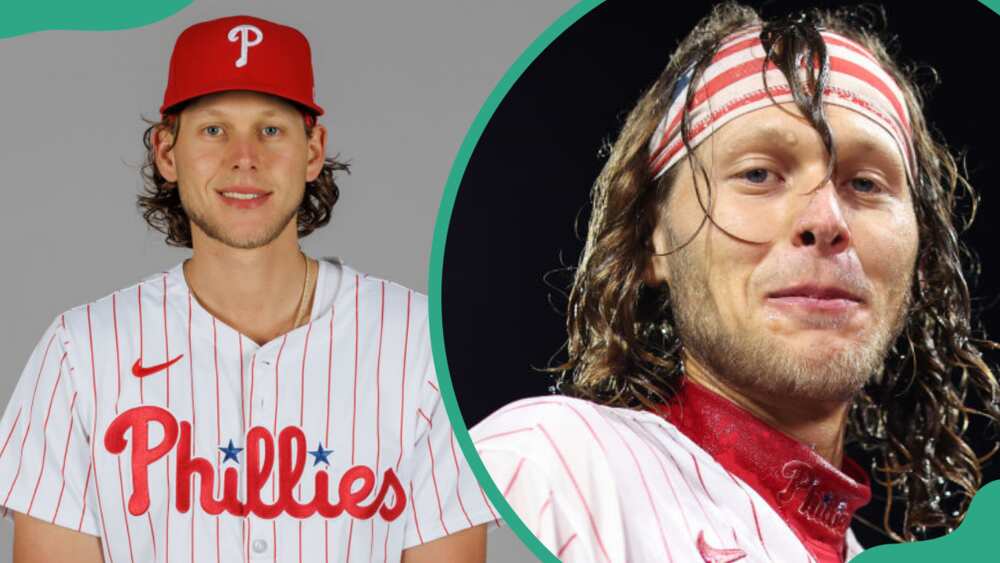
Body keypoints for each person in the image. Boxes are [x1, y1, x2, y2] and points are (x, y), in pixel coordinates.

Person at [470, 3, 999, 562]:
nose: (825, 221)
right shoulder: (545, 468)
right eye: (757, 174)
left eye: (866, 184)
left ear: (919, 258)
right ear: (655, 240)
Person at [0, 14, 494, 563]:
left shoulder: (421, 348)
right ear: (168, 152)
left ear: (312, 151)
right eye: (214, 129)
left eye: (271, 129)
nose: (245, 157)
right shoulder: (80, 354)